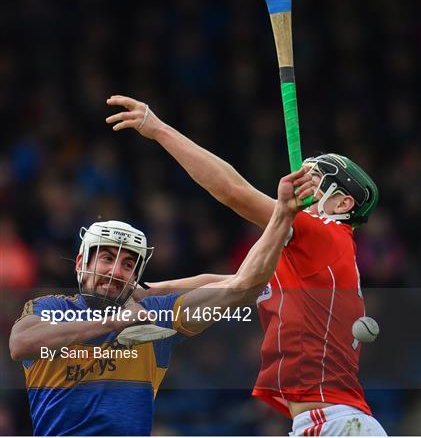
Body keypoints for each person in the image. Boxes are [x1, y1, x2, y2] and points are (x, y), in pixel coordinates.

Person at [105, 94, 387, 437]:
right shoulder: (312, 259)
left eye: (317, 181)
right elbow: (232, 282)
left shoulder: (327, 234)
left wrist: (159, 129)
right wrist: (149, 290)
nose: (305, 185)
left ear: (343, 202)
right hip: (331, 422)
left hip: (334, 424)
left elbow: (233, 191)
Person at [9, 167, 314, 436]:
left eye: (128, 265)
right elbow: (21, 343)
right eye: (106, 259)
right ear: (80, 264)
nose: (116, 272)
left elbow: (240, 285)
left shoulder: (155, 315)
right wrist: (115, 322)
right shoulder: (51, 308)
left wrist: (282, 216)